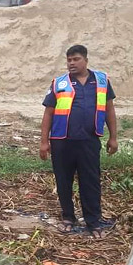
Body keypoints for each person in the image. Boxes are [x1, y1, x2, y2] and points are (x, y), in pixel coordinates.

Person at [39, 44, 118, 238]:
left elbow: (109, 110)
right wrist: (44, 142)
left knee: (90, 182)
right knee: (63, 181)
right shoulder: (59, 83)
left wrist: (113, 137)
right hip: (62, 141)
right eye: (69, 60)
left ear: (86, 60)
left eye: (76, 59)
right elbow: (48, 113)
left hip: (89, 141)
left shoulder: (101, 81)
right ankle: (68, 218)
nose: (71, 63)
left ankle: (93, 221)